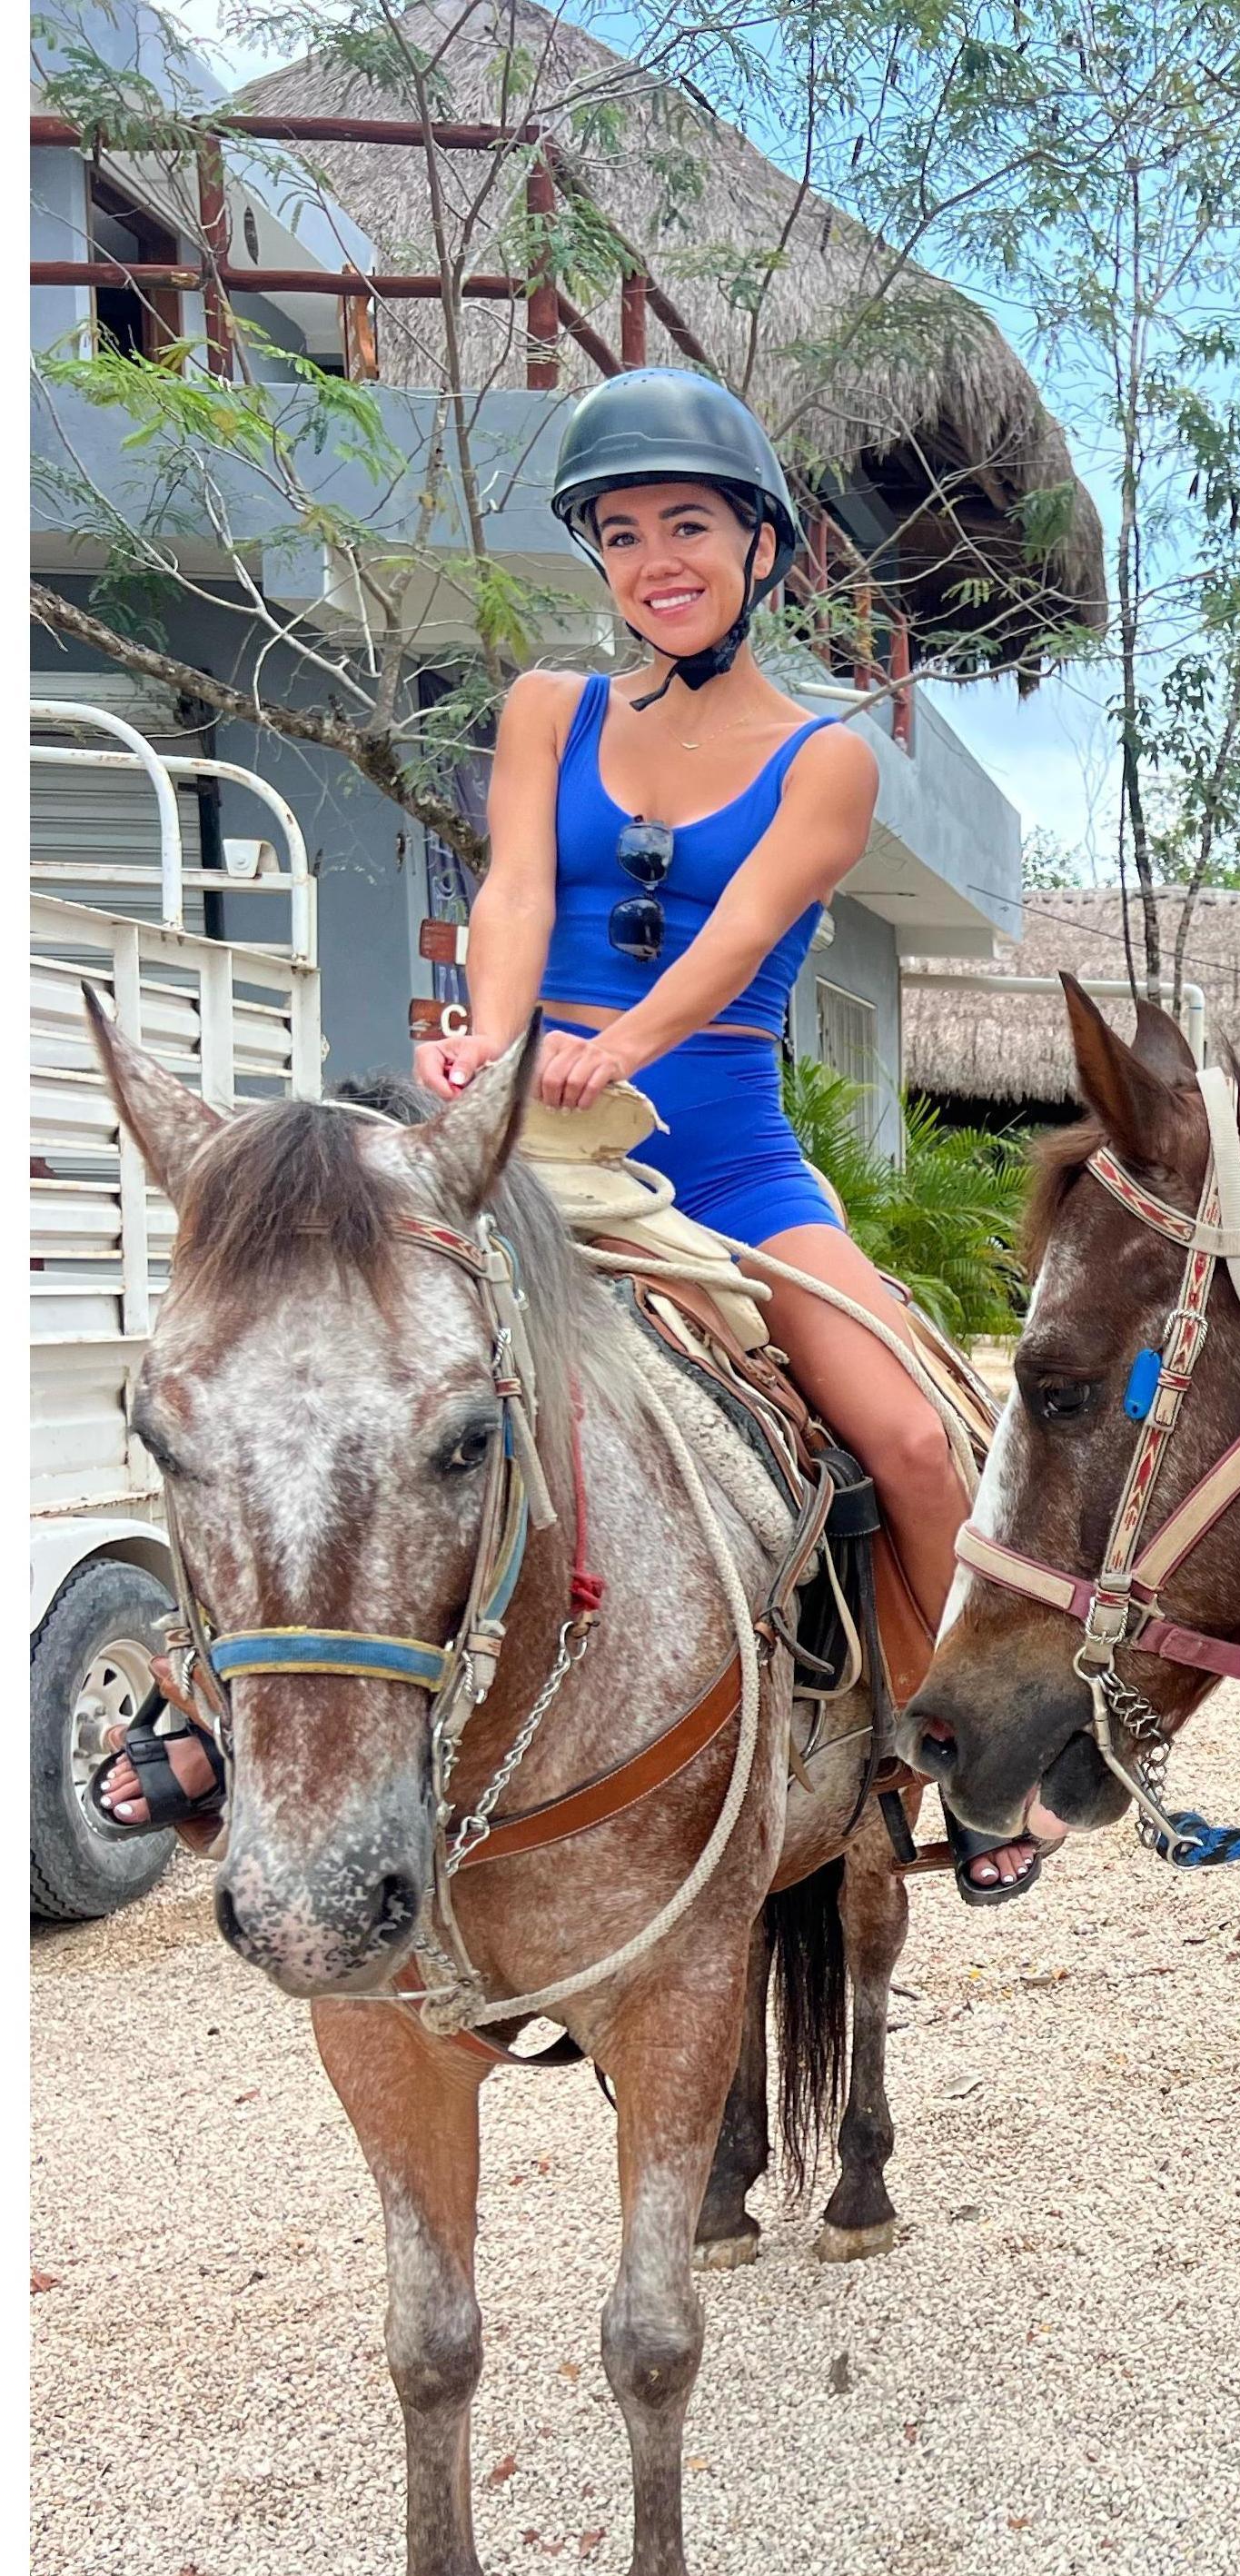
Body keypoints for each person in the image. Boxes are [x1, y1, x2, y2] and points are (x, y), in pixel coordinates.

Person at [102, 368, 1044, 1902]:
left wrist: (618, 1045)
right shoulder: (551, 708)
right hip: (512, 1145)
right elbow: (517, 892)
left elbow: (737, 939)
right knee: (315, 1389)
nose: (655, 559)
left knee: (919, 1440)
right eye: (621, 532)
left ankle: (954, 1759)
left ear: (764, 546)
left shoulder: (831, 758)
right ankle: (210, 1712)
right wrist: (493, 1032)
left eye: (688, 524)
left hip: (726, 1156)